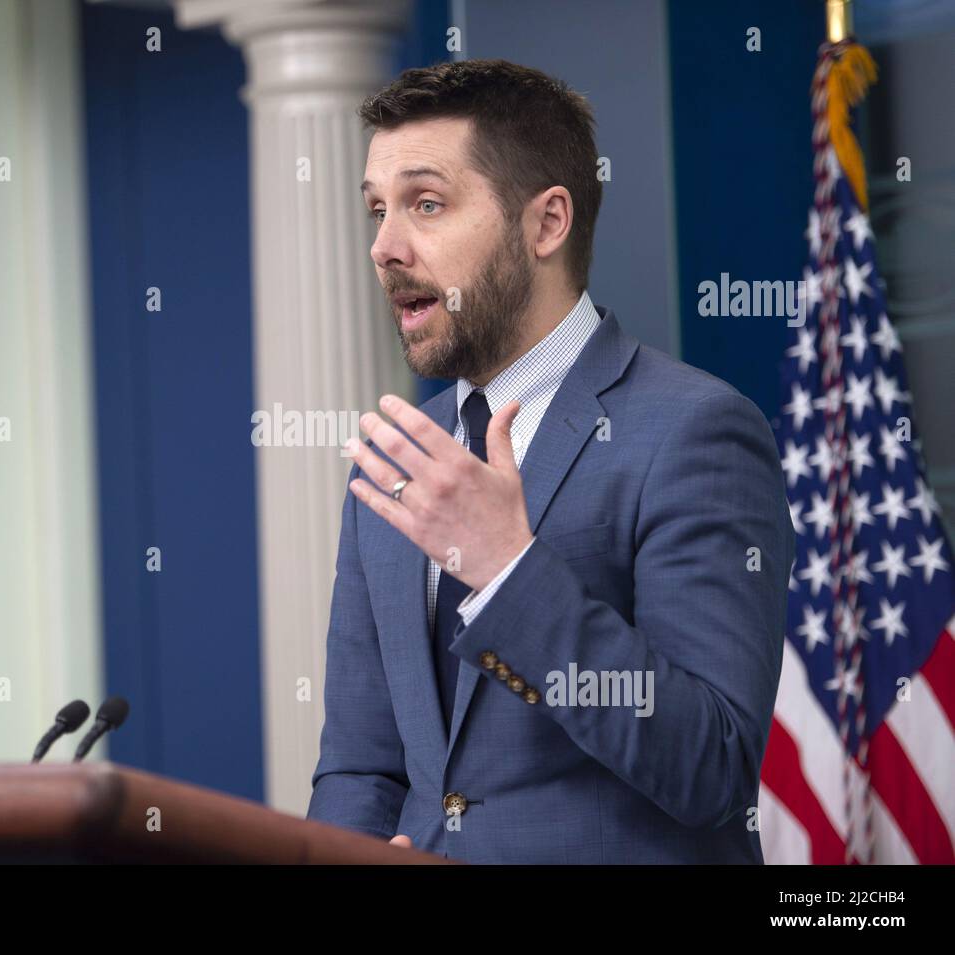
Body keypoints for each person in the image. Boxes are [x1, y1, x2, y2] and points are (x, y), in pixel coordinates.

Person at [305, 59, 794, 863]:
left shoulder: (697, 430)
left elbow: (713, 767)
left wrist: (508, 570)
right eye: (377, 211)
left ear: (547, 223)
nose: (384, 247)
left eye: (426, 204)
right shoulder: (394, 464)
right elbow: (361, 765)